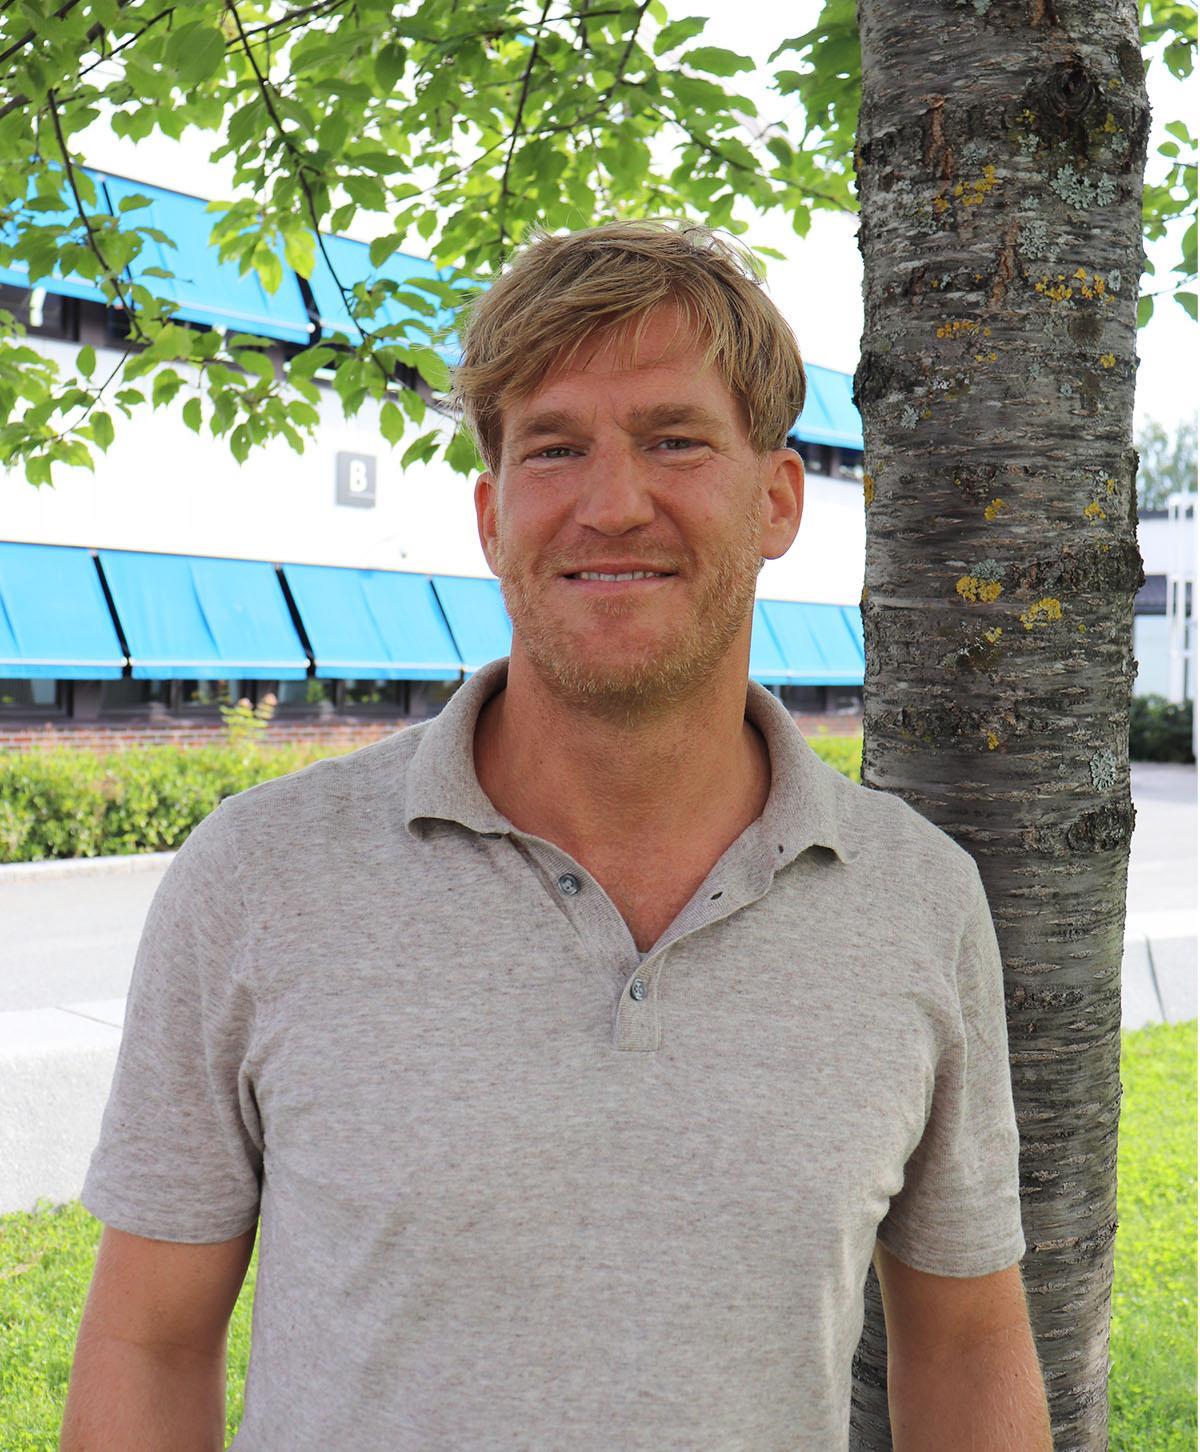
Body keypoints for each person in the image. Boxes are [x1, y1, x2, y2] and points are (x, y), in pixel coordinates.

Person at [62, 219, 1052, 1451]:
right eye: (555, 448)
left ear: (777, 499)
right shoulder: (259, 877)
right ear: (492, 516)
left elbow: (964, 1347)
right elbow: (149, 1343)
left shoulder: (917, 900)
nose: (612, 504)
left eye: (674, 440)